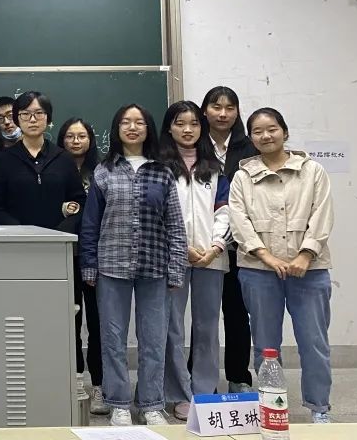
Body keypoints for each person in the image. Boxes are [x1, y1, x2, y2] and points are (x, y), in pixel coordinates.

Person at [80, 104, 187, 427]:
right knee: (112, 339)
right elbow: (91, 224)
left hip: (155, 266)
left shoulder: (163, 172)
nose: (132, 127)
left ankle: (152, 403)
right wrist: (89, 265)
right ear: (117, 129)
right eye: (126, 122)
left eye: (139, 122)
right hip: (111, 266)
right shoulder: (104, 171)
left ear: (148, 129)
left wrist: (177, 266)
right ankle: (119, 403)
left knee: (154, 339)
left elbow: (175, 225)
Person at [229, 108, 334, 425]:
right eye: (257, 131)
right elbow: (238, 221)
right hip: (259, 271)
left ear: (284, 132)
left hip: (310, 270)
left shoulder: (313, 171)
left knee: (314, 343)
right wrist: (266, 256)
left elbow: (322, 214)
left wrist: (305, 254)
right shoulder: (243, 176)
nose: (266, 135)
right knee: (265, 346)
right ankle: (272, 406)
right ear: (251, 138)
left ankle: (319, 408)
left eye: (272, 129)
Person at [158, 102, 230, 422]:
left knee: (207, 327)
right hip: (172, 257)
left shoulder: (214, 169)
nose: (187, 129)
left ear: (202, 128)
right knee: (171, 326)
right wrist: (181, 247)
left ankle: (203, 391)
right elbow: (156, 213)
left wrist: (216, 246)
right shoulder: (158, 167)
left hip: (211, 257)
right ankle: (177, 393)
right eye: (180, 123)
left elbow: (225, 211)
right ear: (169, 127)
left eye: (194, 124)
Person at [201, 85, 258, 393]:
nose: (222, 114)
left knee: (237, 314)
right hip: (203, 245)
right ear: (205, 110)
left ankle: (239, 377)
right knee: (203, 317)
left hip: (240, 246)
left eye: (229, 108)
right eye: (216, 106)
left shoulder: (249, 148)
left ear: (237, 112)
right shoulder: (195, 144)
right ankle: (200, 378)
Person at [55, 117, 106, 416]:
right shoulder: (54, 170)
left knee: (98, 323)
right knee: (68, 321)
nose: (76, 141)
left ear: (90, 140)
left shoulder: (102, 170)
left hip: (98, 256)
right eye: (70, 136)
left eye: (82, 136)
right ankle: (74, 378)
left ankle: (99, 384)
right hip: (63, 256)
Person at [0, 92, 85, 228]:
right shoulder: (3, 159)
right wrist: (18, 228)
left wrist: (64, 228)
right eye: (25, 114)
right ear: (17, 119)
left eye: (39, 113)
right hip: (16, 237)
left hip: (58, 237)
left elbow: (80, 203)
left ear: (48, 118)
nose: (32, 120)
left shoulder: (64, 158)